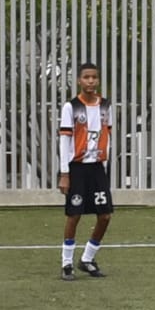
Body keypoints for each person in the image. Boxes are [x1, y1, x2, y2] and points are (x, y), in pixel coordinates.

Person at [57, 62, 114, 280]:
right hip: (77, 167)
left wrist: (104, 164)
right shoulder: (71, 107)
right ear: (79, 81)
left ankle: (87, 258)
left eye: (94, 77)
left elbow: (107, 136)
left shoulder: (105, 106)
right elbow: (64, 140)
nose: (90, 81)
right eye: (86, 77)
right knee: (74, 214)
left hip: (97, 167)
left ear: (98, 80)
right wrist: (64, 173)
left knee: (105, 215)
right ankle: (67, 263)